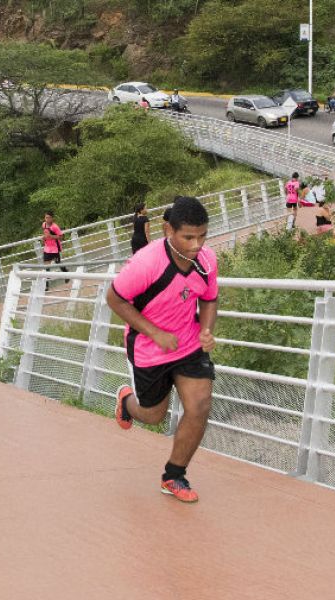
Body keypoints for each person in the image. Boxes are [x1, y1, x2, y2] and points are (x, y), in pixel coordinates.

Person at [108, 196, 219, 503]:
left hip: (188, 344)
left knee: (199, 405)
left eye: (202, 236)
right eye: (188, 237)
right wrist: (155, 333)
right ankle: (126, 402)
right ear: (168, 230)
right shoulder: (145, 263)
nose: (197, 245)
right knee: (154, 415)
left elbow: (209, 297)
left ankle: (173, 475)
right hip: (149, 348)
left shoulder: (207, 260)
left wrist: (207, 330)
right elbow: (114, 299)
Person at [42, 211, 67, 277]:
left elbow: (61, 237)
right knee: (47, 266)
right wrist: (44, 237)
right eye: (46, 217)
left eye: (49, 218)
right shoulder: (44, 224)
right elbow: (45, 234)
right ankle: (46, 284)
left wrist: (51, 236)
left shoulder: (55, 227)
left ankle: (66, 273)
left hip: (55, 248)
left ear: (52, 218)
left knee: (58, 262)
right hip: (47, 248)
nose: (47, 219)